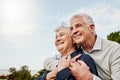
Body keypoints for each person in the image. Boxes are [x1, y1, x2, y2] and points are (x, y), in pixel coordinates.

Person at [69, 13, 120, 80]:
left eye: (78, 26)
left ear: (91, 28)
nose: (74, 32)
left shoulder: (115, 49)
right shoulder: (75, 54)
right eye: (71, 29)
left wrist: (89, 78)